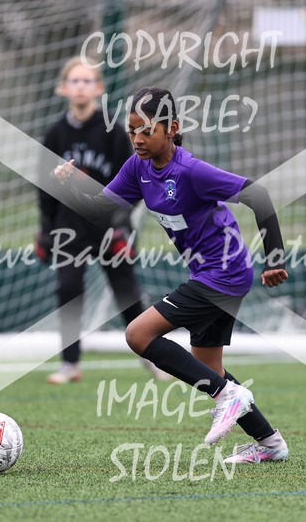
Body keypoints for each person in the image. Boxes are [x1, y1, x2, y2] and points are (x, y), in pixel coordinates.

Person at [50, 86, 290, 463]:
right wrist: (71, 183)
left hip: (223, 273)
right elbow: (99, 211)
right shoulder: (137, 168)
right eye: (132, 131)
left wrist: (274, 258)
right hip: (212, 273)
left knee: (138, 333)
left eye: (147, 130)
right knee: (210, 370)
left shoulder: (191, 171)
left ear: (172, 128)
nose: (138, 139)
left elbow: (257, 195)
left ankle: (228, 396)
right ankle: (270, 443)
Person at [37, 57, 169, 384]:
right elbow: (45, 183)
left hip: (108, 227)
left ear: (98, 88)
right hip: (70, 228)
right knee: (68, 289)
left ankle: (156, 360)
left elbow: (135, 178)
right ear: (63, 88)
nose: (81, 87)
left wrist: (121, 223)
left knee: (127, 296)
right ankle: (70, 364)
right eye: (74, 81)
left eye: (87, 81)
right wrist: (46, 228)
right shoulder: (55, 133)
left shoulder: (112, 131)